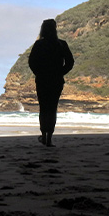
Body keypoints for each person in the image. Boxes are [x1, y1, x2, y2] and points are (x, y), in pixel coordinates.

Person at [27, 18, 75, 147]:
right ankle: (49, 138)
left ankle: (43, 135)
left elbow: (31, 62)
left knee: (43, 108)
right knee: (52, 108)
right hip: (56, 80)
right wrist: (61, 73)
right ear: (55, 29)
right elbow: (70, 62)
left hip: (42, 80)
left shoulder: (39, 44)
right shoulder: (61, 44)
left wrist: (39, 73)